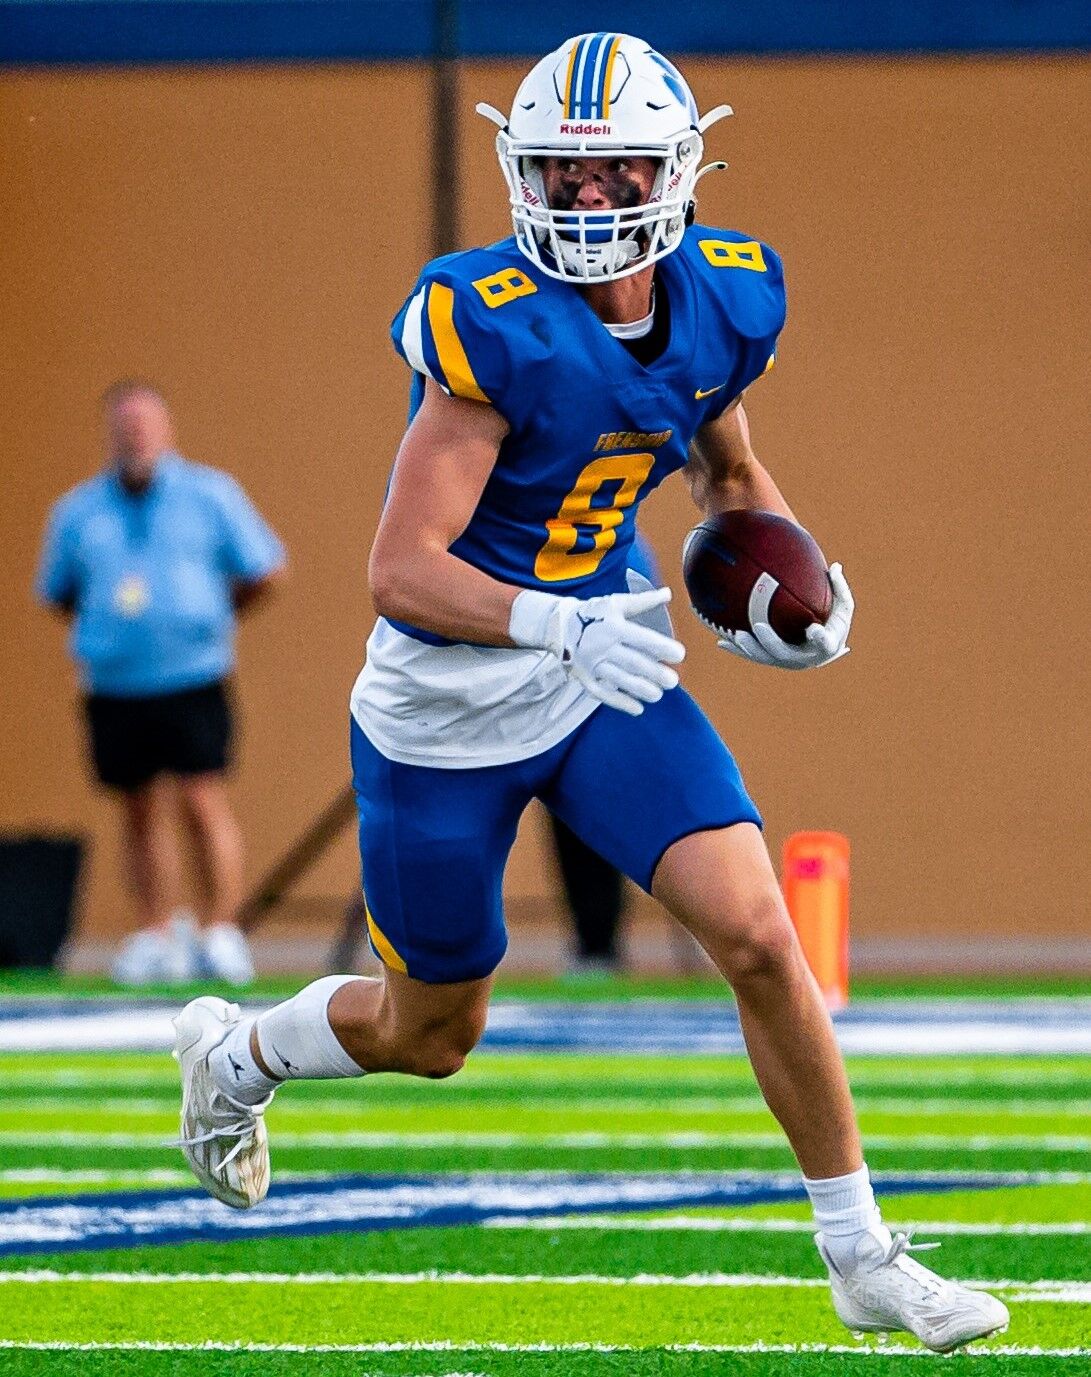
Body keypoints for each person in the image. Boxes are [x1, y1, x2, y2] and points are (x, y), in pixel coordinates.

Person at [172, 36, 1008, 1352]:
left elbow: (724, 473)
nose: (588, 196)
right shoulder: (490, 318)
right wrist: (555, 624)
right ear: (523, 176)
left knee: (755, 936)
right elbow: (399, 569)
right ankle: (238, 1056)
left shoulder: (725, 298)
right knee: (431, 1031)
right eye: (560, 172)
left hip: (603, 670)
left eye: (613, 163)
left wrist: (791, 593)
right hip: (447, 702)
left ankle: (859, 1252)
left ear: (679, 165)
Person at [37, 380, 286, 985]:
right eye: (124, 427)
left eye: (145, 426)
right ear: (110, 435)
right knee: (137, 810)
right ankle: (154, 932)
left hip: (193, 675)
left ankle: (221, 929)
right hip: (117, 684)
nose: (135, 437)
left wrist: (207, 618)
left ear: (166, 430)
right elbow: (60, 592)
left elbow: (264, 570)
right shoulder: (78, 511)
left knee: (202, 799)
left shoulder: (210, 495)